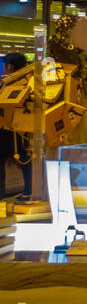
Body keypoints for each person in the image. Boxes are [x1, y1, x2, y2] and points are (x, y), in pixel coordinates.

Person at [0, 53, 31, 198]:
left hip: (8, 129)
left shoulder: (11, 84)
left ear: (9, 66)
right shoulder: (28, 81)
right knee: (26, 160)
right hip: (24, 129)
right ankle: (28, 192)